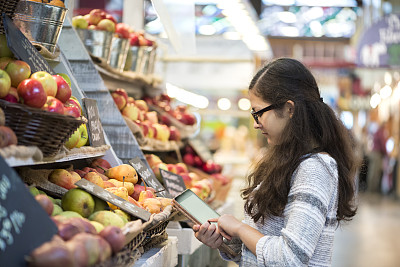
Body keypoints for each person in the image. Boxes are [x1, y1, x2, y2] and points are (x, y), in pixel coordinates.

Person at [192, 58, 358, 266]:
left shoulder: (314, 169)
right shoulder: (287, 160)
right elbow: (265, 247)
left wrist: (240, 228)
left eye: (258, 113)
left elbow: (291, 258)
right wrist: (226, 241)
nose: (255, 124)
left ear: (289, 109)